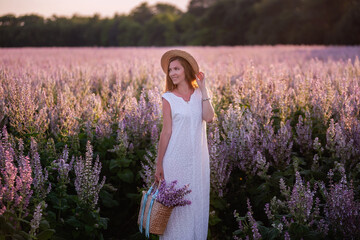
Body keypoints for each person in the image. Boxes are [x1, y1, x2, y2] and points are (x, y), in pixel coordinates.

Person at [155, 49, 214, 240]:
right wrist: (159, 164)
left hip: (198, 161)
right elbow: (166, 132)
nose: (172, 73)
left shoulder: (199, 95)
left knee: (196, 203)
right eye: (170, 70)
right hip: (175, 161)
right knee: (177, 211)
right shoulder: (168, 98)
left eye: (176, 68)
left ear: (186, 70)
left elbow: (209, 117)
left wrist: (204, 88)